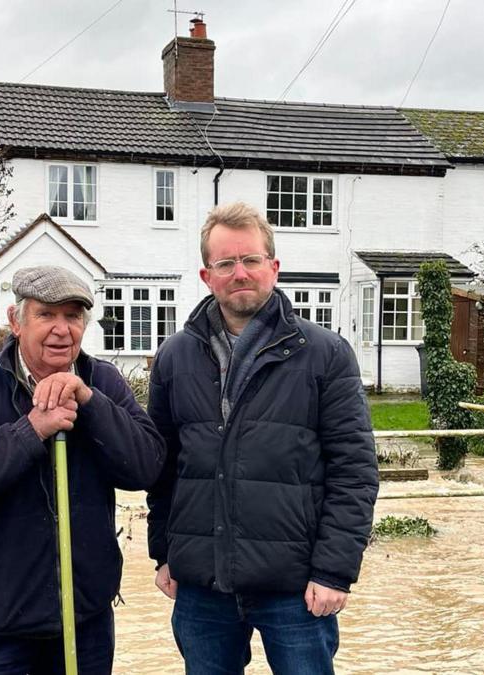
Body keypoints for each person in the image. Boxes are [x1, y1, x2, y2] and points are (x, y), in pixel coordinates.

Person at [146, 202, 379, 674]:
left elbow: (354, 470)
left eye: (251, 260)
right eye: (225, 263)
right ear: (206, 275)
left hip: (295, 587)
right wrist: (164, 553)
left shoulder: (325, 354)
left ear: (273, 267)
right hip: (202, 585)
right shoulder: (174, 356)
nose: (240, 273)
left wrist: (334, 570)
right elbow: (164, 466)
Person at [0, 265, 166, 674]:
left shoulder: (102, 381)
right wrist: (32, 429)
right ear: (16, 321)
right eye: (46, 315)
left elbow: (146, 467)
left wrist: (90, 404)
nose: (61, 329)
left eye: (72, 316)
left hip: (84, 621)